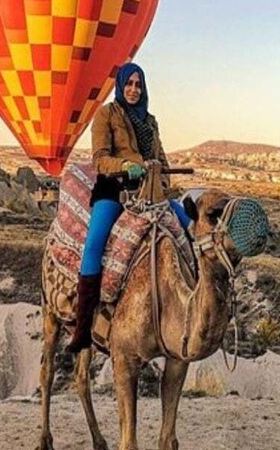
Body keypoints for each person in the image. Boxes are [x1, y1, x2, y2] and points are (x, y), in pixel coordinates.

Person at [66, 62, 191, 353]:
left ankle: (194, 305)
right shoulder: (106, 114)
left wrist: (166, 183)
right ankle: (84, 326)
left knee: (191, 228)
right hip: (115, 190)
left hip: (149, 193)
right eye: (129, 84)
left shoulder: (150, 121)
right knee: (94, 245)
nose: (134, 90)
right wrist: (125, 166)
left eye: (138, 85)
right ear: (120, 86)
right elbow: (99, 159)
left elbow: (161, 159)